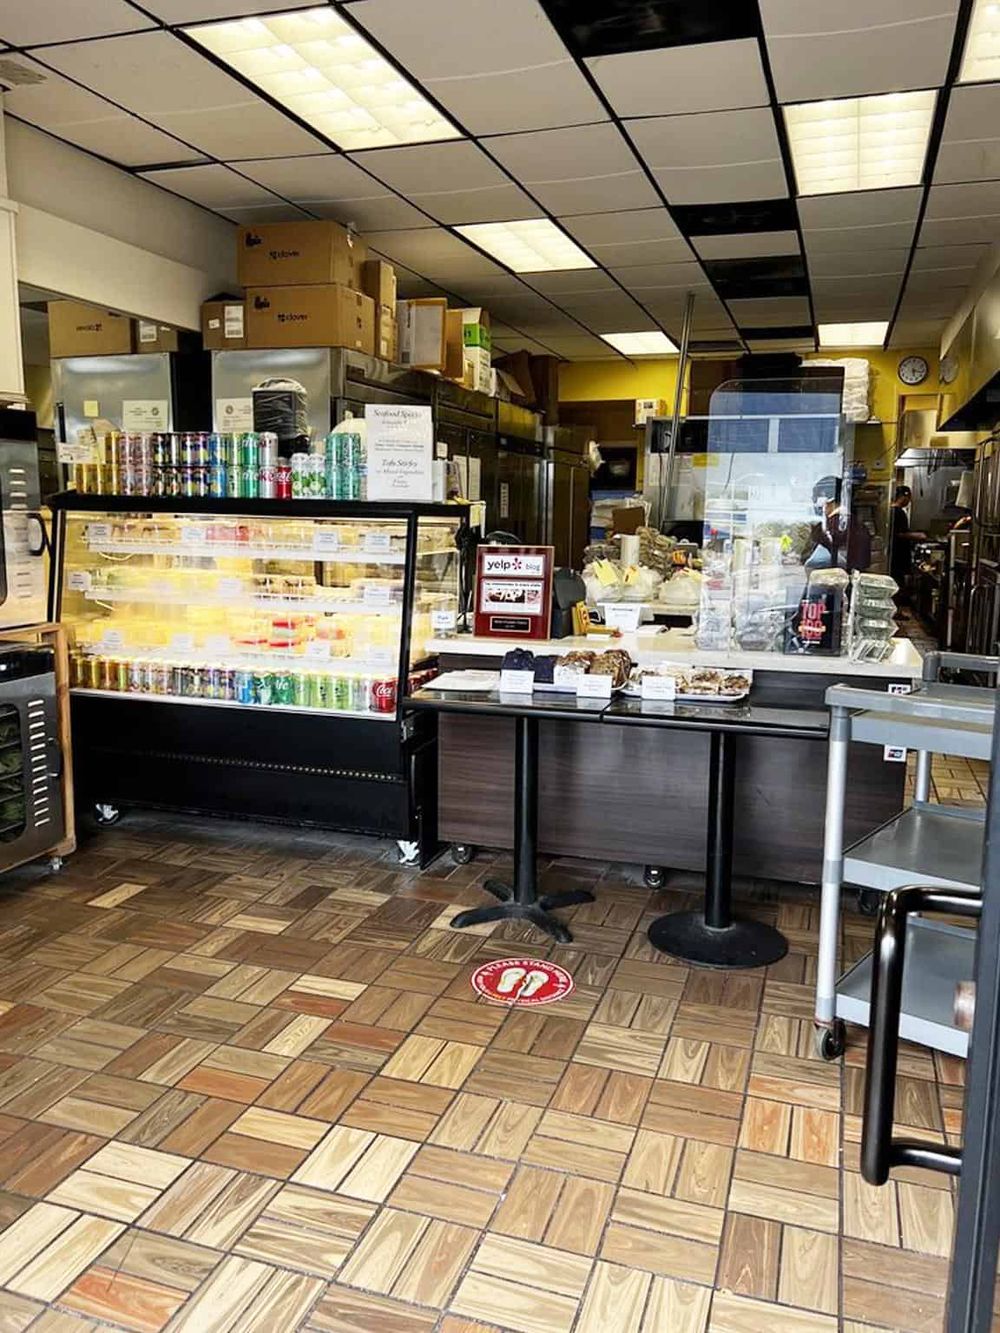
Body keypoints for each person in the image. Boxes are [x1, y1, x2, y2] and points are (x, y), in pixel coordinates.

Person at [806, 475, 872, 573]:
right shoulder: (860, 526)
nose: (815, 503)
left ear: (828, 499)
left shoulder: (829, 527)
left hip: (830, 579)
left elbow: (807, 559)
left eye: (816, 498)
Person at [890, 485, 914, 591]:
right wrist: (917, 535)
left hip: (894, 555)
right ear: (904, 496)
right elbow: (900, 533)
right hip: (899, 556)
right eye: (909, 498)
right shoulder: (899, 512)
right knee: (898, 584)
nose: (909, 501)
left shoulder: (891, 510)